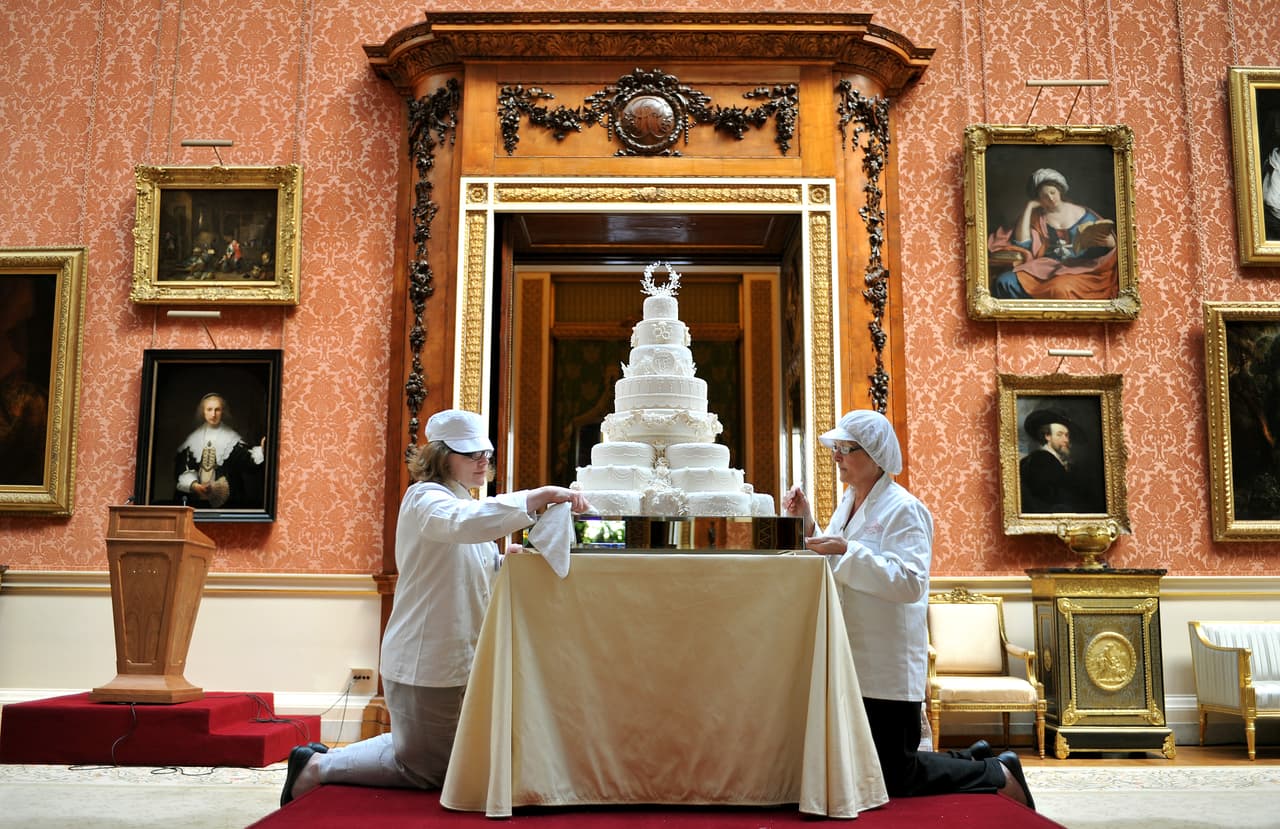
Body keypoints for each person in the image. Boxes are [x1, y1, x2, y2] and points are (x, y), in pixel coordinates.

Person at [280, 408, 590, 805]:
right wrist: (538, 497)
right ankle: (317, 768)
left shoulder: (464, 503)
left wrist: (502, 562)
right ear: (443, 457)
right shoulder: (425, 498)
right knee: (428, 769)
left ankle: (321, 760)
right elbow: (461, 524)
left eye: (485, 454)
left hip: (456, 657)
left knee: (438, 754)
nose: (483, 462)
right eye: (471, 454)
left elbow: (468, 567)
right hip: (424, 660)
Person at [782, 409, 1035, 810]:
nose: (837, 457)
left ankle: (996, 773)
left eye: (846, 449)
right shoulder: (849, 502)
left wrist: (848, 550)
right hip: (855, 656)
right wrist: (809, 523)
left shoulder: (906, 510)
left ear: (875, 456)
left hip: (888, 662)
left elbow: (910, 581)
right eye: (837, 449)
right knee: (881, 763)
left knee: (897, 774)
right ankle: (979, 757)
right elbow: (834, 554)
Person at [988, 167, 1118, 300]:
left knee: (1058, 289)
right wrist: (1029, 207)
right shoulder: (1038, 217)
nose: (1050, 198)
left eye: (1052, 192)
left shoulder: (1085, 215)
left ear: (1060, 191)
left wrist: (1111, 243)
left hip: (1081, 270)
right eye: (1044, 196)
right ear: (1039, 199)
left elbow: (1110, 245)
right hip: (1046, 268)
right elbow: (1023, 243)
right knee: (1005, 281)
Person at [174, 392, 265, 509]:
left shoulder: (231, 438)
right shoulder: (193, 439)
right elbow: (183, 467)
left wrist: (262, 450)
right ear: (203, 412)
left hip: (226, 501)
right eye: (209, 409)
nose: (213, 414)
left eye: (217, 410)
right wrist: (195, 486)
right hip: (197, 499)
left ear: (223, 412)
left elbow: (247, 460)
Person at [1018, 408, 1105, 514]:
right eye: (1059, 434)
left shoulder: (1057, 461)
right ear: (1047, 436)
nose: (1066, 440)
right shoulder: (1041, 461)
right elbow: (1051, 501)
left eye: (1067, 435)